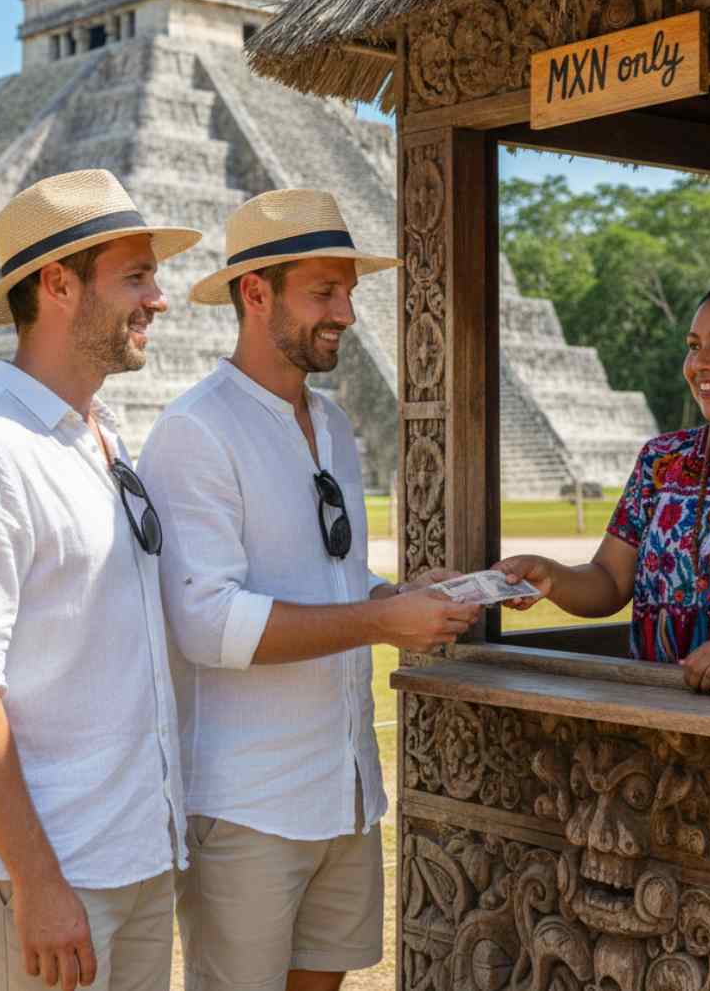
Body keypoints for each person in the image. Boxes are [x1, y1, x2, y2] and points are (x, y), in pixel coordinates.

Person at [137, 188, 481, 991]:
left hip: (344, 787)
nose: (348, 315)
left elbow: (331, 580)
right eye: (324, 293)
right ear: (255, 294)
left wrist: (404, 592)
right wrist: (379, 619)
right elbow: (207, 624)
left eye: (349, 293)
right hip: (249, 801)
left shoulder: (330, 424)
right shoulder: (196, 430)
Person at [0, 169, 202, 991]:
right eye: (136, 276)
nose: (160, 299)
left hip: (132, 852)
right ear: (59, 283)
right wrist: (37, 882)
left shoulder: (102, 438)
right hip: (45, 872)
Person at [499, 275, 710, 695]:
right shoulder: (663, 459)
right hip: (663, 719)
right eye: (694, 346)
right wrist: (549, 576)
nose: (700, 363)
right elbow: (609, 580)